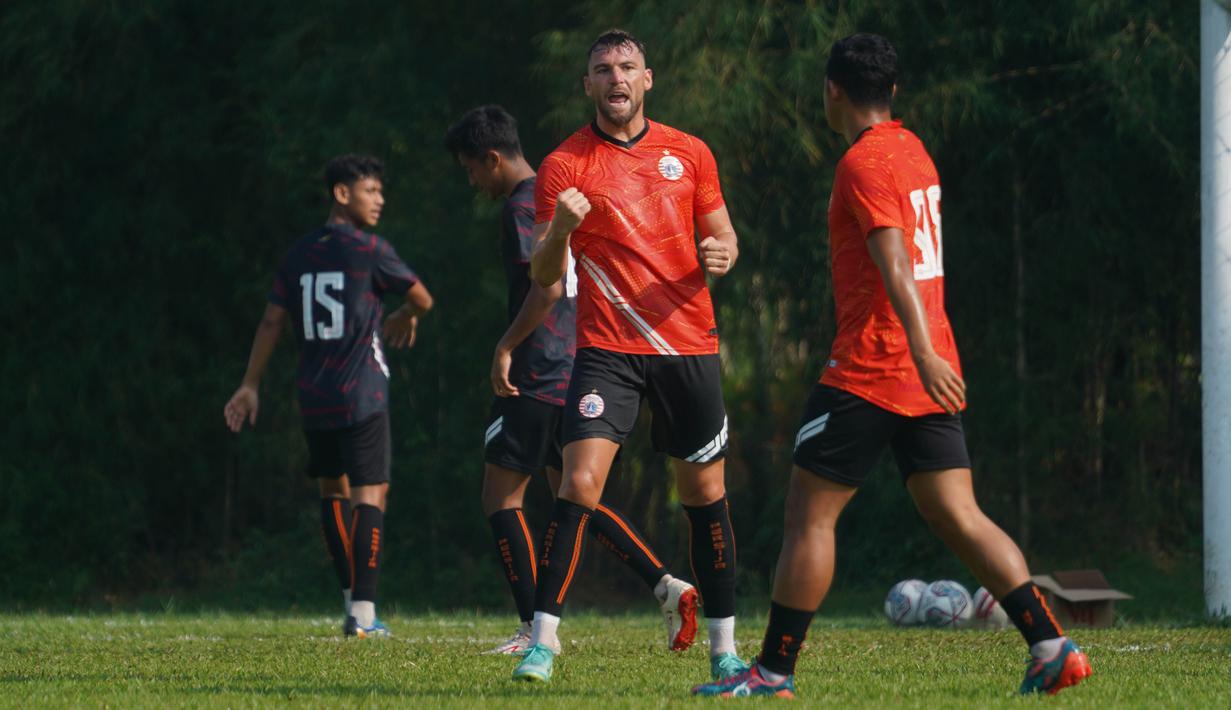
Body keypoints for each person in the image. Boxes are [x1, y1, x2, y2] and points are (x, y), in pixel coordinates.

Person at [690, 34, 1092, 698]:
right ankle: (1050, 645)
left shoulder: (864, 161)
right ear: (893, 91)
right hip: (928, 364)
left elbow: (894, 260)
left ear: (832, 91)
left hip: (875, 366)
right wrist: (931, 351)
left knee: (808, 518)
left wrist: (920, 349)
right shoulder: (914, 150)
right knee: (956, 512)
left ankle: (772, 671)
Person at [511, 29, 745, 684]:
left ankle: (724, 650)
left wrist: (722, 252)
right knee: (577, 483)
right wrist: (560, 226)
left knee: (704, 495)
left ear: (647, 80)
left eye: (626, 67)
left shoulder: (689, 152)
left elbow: (721, 233)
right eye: (601, 69)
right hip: (606, 350)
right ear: (586, 86)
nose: (615, 78)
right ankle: (543, 641)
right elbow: (545, 274)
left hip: (685, 345)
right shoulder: (563, 165)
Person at [445, 105, 700, 656]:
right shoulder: (565, 189)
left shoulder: (523, 207)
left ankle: (530, 628)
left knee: (500, 496)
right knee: (574, 496)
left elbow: (547, 288)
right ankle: (666, 584)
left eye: (470, 169)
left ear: (492, 159)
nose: (472, 181)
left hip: (539, 370)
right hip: (580, 364)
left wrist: (506, 346)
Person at [222, 154, 433, 638]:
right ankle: (363, 614)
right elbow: (422, 296)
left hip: (314, 395)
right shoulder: (370, 249)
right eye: (370, 191)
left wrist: (250, 384)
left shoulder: (297, 255)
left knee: (331, 493)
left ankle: (349, 602)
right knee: (370, 494)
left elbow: (272, 321)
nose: (379, 199)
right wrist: (407, 315)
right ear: (342, 194)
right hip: (362, 393)